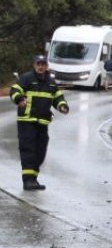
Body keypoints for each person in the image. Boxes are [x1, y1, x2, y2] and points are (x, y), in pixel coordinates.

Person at [9, 55, 69, 190]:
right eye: (38, 64)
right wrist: (19, 99)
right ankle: (28, 181)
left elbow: (58, 97)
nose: (41, 67)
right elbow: (14, 90)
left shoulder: (51, 82)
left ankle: (34, 179)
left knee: (40, 151)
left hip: (42, 122)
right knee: (28, 150)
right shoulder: (27, 78)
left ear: (47, 66)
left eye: (43, 64)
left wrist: (62, 106)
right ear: (34, 65)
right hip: (27, 121)